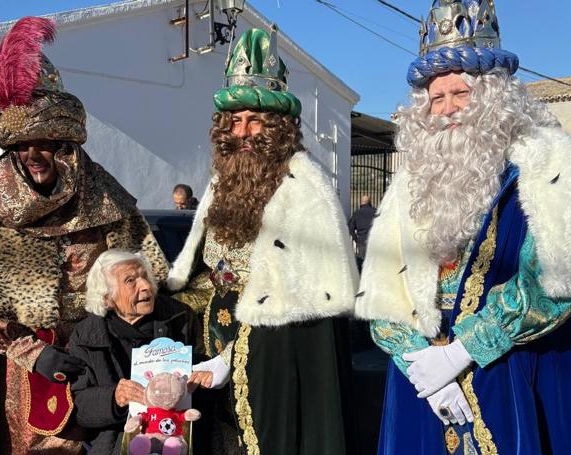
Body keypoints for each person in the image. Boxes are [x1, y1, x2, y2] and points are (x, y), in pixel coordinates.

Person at [354, 1, 571, 454]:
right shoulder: (411, 180)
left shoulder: (551, 160)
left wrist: (460, 352)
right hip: (423, 380)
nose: (447, 109)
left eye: (459, 94)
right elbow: (384, 287)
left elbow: (559, 280)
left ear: (491, 94)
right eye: (436, 97)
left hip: (514, 368)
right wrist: (421, 365)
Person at [0, 18, 169, 455]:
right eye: (22, 146)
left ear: (65, 144)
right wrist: (35, 354)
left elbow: (148, 280)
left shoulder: (106, 203)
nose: (33, 156)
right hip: (32, 375)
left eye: (45, 142)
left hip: (107, 365)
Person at [168, 27, 359, 454]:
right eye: (235, 121)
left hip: (273, 366)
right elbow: (205, 276)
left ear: (277, 126)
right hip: (208, 358)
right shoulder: (221, 184)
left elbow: (303, 312)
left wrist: (230, 360)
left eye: (255, 120)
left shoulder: (305, 189)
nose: (244, 131)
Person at [69, 250, 202, 454]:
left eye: (145, 276)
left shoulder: (180, 318)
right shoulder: (86, 336)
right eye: (131, 280)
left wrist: (199, 379)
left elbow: (204, 370)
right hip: (115, 442)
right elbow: (77, 406)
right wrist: (114, 398)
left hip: (177, 438)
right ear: (107, 298)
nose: (146, 286)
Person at [348, 194, 375, 270]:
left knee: (361, 265)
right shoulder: (376, 212)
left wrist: (356, 239)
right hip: (374, 242)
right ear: (370, 202)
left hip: (361, 242)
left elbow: (350, 227)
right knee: (373, 265)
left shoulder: (357, 213)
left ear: (361, 203)